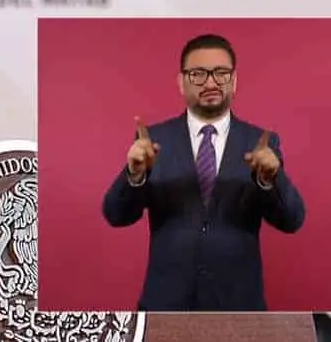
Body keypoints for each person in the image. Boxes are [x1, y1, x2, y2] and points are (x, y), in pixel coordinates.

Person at [101, 33, 305, 311]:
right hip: (166, 308)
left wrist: (270, 180)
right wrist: (135, 174)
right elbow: (116, 215)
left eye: (221, 73)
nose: (210, 83)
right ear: (181, 82)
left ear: (234, 81)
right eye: (197, 74)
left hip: (238, 308)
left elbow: (292, 220)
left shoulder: (260, 143)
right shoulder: (154, 141)